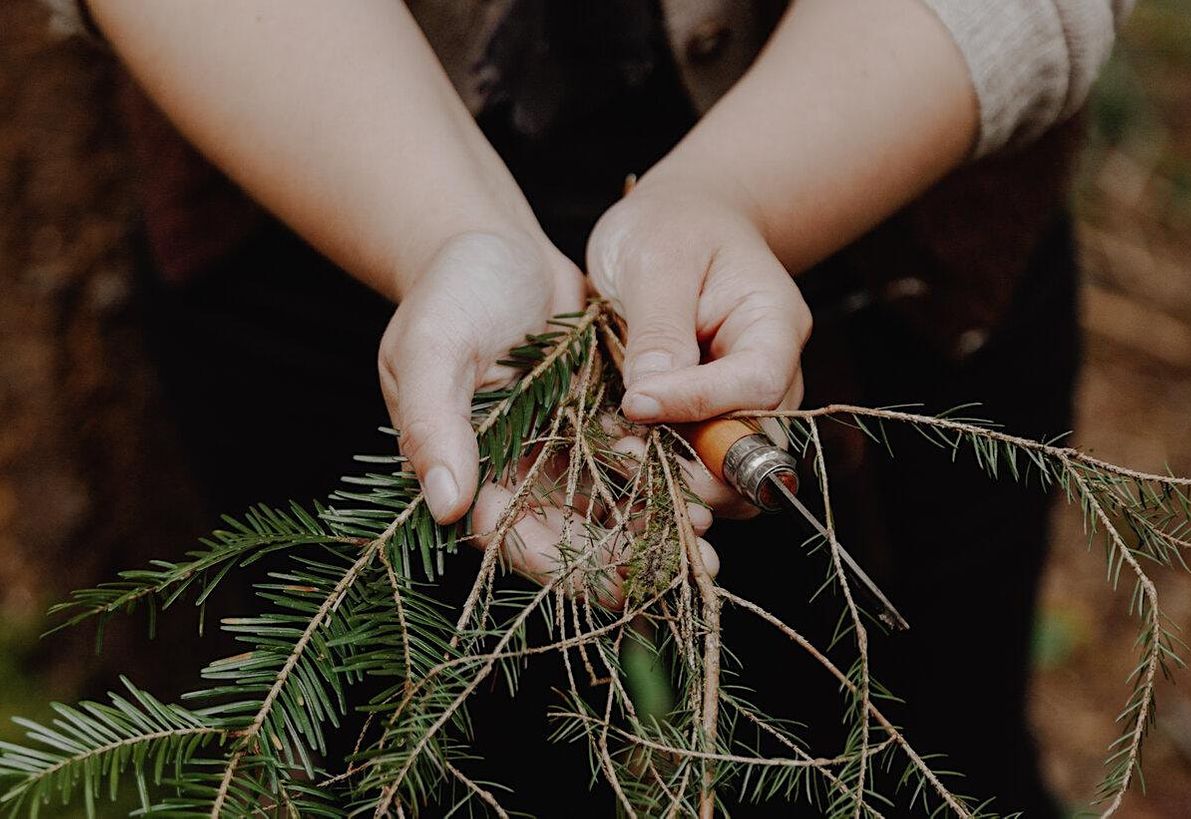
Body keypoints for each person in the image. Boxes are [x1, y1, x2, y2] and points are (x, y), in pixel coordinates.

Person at [44, 0, 1131, 815]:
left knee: (927, 750)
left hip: (892, 182)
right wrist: (441, 236)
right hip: (314, 164)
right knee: (427, 765)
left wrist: (730, 197)